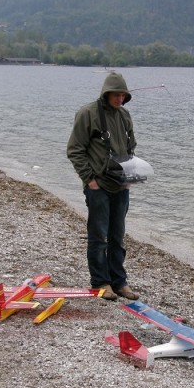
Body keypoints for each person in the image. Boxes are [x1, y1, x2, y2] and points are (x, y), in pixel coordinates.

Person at [67, 72, 140, 301]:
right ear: (106, 93)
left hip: (121, 186)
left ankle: (119, 281)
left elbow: (131, 150)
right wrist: (90, 179)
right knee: (99, 236)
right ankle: (101, 282)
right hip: (98, 186)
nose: (119, 99)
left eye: (123, 95)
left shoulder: (125, 116)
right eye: (116, 94)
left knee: (117, 235)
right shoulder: (87, 113)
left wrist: (131, 178)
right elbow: (74, 150)